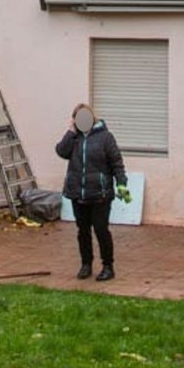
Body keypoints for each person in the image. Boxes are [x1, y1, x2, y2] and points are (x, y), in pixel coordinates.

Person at [55, 103, 127, 282]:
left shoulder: (105, 137)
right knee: (83, 231)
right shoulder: (74, 139)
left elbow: (116, 162)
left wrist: (122, 184)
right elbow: (61, 151)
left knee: (101, 230)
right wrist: (70, 132)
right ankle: (86, 264)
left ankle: (108, 266)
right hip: (78, 193)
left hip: (100, 194)